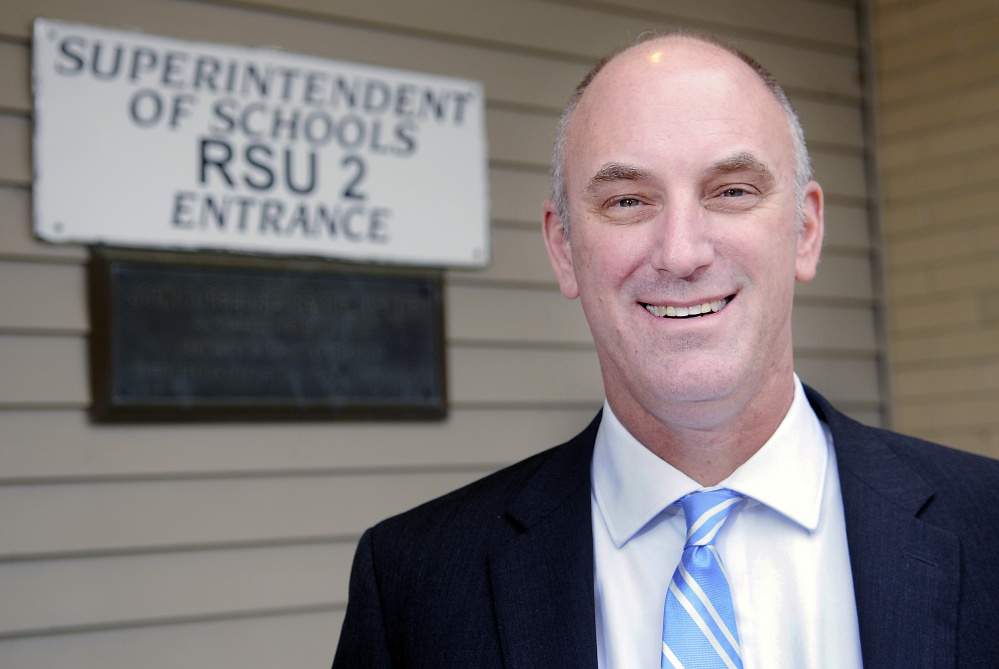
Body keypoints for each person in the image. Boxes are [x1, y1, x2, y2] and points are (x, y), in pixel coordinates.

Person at [332, 31, 999, 668]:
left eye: (732, 191)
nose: (680, 252)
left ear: (804, 229)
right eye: (627, 200)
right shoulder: (413, 585)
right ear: (562, 248)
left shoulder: (989, 527)